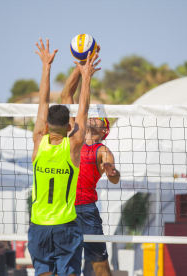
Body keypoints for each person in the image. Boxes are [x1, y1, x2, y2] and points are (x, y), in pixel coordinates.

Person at [27, 38, 101, 276]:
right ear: (68, 129)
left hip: (39, 224)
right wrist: (87, 77)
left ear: (46, 127)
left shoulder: (39, 141)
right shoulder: (73, 146)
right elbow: (83, 109)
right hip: (65, 226)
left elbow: (43, 101)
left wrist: (46, 66)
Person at [60, 45, 120, 276]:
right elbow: (67, 95)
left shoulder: (103, 150)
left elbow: (114, 178)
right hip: (63, 208)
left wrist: (112, 173)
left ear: (104, 129)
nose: (92, 119)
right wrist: (82, 66)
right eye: (91, 116)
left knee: (99, 264)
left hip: (85, 209)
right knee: (66, 264)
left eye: (98, 119)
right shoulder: (74, 134)